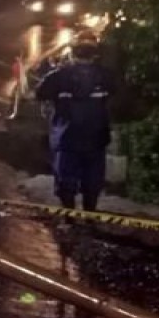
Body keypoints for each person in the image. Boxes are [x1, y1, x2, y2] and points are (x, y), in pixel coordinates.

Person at [35, 30, 114, 211]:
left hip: (67, 137)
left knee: (66, 182)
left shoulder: (59, 76)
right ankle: (90, 215)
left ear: (73, 51)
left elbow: (40, 93)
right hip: (96, 137)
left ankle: (69, 216)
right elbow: (119, 97)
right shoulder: (105, 76)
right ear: (95, 52)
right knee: (92, 182)